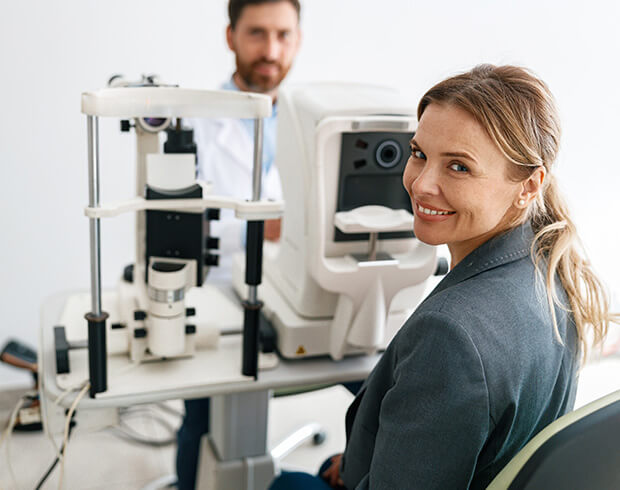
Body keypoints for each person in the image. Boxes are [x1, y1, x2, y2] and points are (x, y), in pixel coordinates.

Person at [269, 64, 614, 489]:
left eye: (459, 167)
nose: (420, 184)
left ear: (527, 186)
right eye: (419, 154)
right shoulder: (551, 271)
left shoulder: (448, 336)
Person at [176, 1, 301, 489]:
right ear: (230, 36)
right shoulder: (195, 123)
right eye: (257, 33)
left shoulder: (310, 122)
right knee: (203, 420)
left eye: (283, 35)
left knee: (378, 387)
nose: (271, 50)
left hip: (294, 291)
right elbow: (178, 230)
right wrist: (261, 227)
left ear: (298, 39)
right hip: (219, 294)